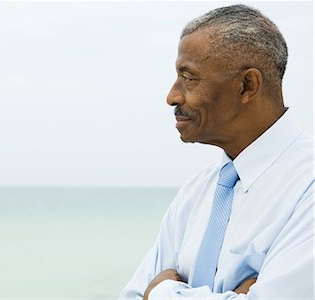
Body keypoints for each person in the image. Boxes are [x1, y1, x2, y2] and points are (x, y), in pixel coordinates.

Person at [119, 4, 313, 299]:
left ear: (247, 85)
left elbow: (149, 291)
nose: (172, 96)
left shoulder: (308, 188)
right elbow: (131, 295)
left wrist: (163, 291)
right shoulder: (197, 191)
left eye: (189, 77)